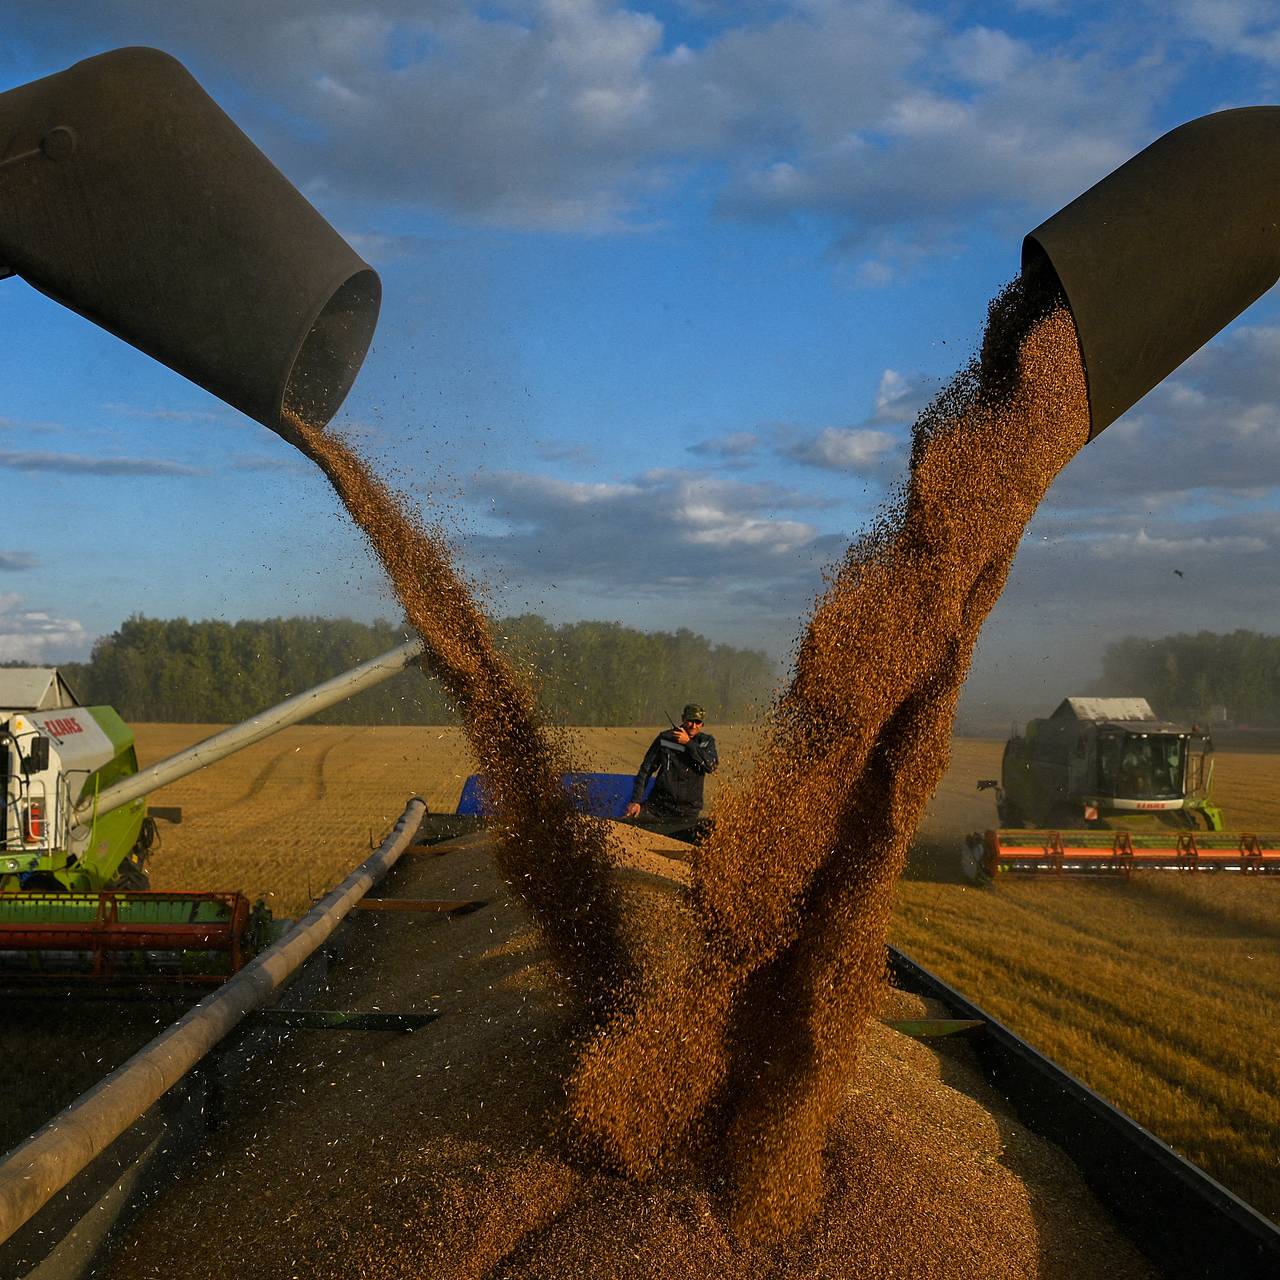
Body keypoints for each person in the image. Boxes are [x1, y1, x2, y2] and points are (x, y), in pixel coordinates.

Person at [624, 703, 719, 824]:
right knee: (628, 823)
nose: (693, 726)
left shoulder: (706, 742)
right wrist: (636, 801)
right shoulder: (665, 738)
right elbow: (646, 770)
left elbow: (711, 766)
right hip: (658, 807)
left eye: (698, 722)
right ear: (683, 719)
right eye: (690, 721)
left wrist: (688, 743)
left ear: (702, 724)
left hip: (688, 811)